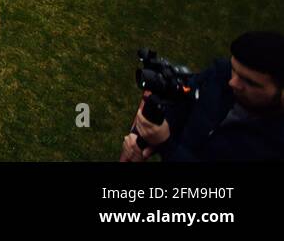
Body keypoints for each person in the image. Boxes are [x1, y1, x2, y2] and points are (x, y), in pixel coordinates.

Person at [121, 31, 284, 161]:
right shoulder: (221, 74)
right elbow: (183, 98)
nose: (233, 83)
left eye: (249, 82)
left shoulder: (275, 143)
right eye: (234, 69)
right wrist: (144, 136)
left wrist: (166, 144)